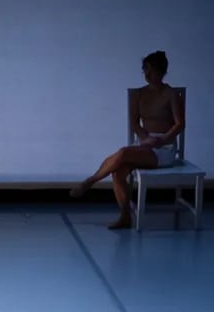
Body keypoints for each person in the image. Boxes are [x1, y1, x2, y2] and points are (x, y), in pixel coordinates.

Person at [70, 50, 185, 229]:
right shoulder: (138, 94)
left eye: (150, 69)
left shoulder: (171, 94)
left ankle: (90, 182)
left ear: (161, 71)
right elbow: (134, 122)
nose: (146, 74)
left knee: (123, 153)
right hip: (144, 143)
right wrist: (144, 138)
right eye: (144, 70)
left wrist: (161, 140)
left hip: (164, 148)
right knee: (118, 171)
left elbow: (179, 125)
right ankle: (125, 216)